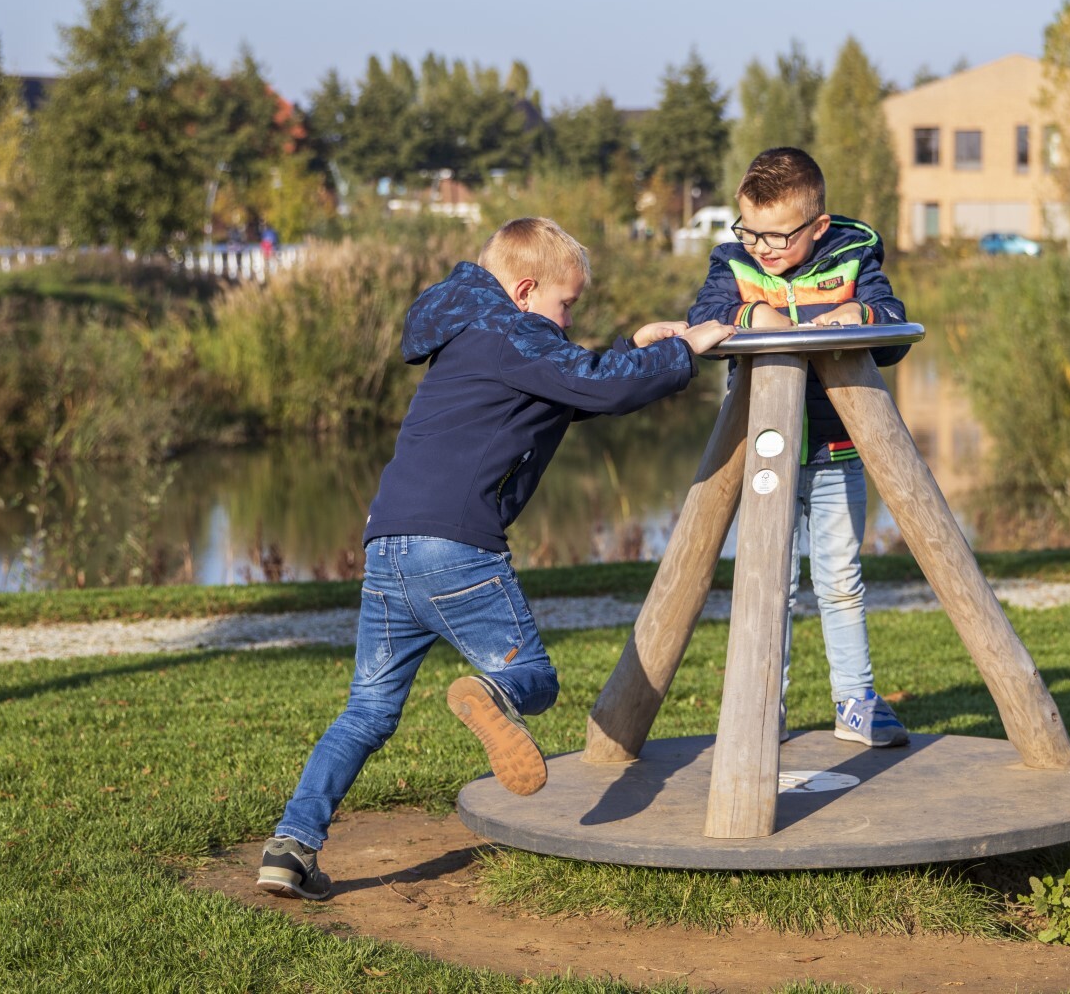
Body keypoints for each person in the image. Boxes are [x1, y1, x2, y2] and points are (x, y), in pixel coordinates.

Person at [257, 217, 733, 900]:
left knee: (365, 711)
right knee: (533, 681)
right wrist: (684, 351)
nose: (568, 321)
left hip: (387, 544)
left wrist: (634, 346)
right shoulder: (512, 332)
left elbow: (565, 386)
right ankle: (486, 692)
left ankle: (291, 846)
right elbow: (597, 385)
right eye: (566, 306)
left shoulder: (473, 330)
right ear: (526, 289)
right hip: (456, 544)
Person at [688, 147, 912, 750]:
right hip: (767, 451)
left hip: (839, 445)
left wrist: (856, 313)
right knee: (770, 582)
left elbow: (892, 320)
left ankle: (856, 701)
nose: (762, 248)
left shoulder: (852, 256)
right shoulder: (733, 263)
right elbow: (704, 317)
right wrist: (749, 311)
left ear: (817, 226)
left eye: (778, 236)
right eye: (750, 232)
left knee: (840, 578)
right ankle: (766, 706)